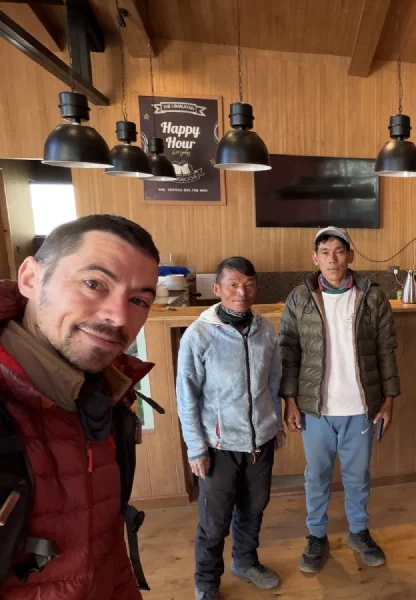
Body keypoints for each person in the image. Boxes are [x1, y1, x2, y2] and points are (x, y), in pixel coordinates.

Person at [0, 215, 159, 600]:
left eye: (139, 300)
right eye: (94, 283)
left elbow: (105, 549)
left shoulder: (106, 397)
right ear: (30, 279)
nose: (119, 317)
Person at [279, 226, 399, 574]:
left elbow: (387, 350)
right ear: (315, 258)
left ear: (350, 256)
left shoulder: (372, 297)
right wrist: (289, 400)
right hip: (315, 409)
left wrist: (388, 400)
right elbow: (288, 351)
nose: (332, 258)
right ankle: (317, 536)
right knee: (316, 476)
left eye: (339, 251)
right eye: (325, 252)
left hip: (360, 408)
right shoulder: (299, 298)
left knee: (357, 477)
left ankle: (359, 532)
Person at [176, 257, 284, 600]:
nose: (242, 292)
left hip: (260, 442)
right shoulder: (199, 335)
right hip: (218, 446)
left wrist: (277, 424)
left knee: (254, 509)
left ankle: (245, 561)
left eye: (249, 284)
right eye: (234, 284)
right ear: (217, 289)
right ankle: (207, 581)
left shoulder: (265, 329)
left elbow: (273, 383)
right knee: (214, 521)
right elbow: (187, 396)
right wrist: (196, 448)